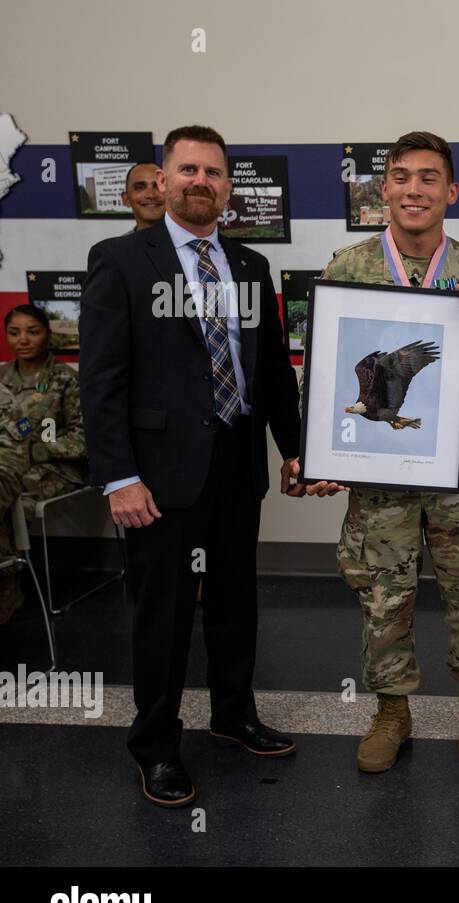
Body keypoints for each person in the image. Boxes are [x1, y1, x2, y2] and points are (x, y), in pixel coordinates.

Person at [79, 125, 321, 808]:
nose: (200, 182)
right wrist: (118, 477)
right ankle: (155, 745)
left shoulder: (249, 266)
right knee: (164, 615)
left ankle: (232, 713)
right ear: (161, 177)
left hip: (236, 466)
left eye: (214, 173)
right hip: (158, 478)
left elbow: (272, 370)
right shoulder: (121, 261)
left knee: (236, 602)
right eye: (187, 169)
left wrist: (295, 446)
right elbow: (100, 382)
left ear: (228, 188)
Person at [304, 130, 459, 773]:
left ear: (450, 192)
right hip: (380, 476)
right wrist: (319, 450)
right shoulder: (347, 269)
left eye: (429, 178)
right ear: (385, 189)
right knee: (383, 595)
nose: (414, 189)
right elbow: (318, 378)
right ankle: (391, 711)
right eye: (402, 176)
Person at [0, 305, 87, 624]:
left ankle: (8, 584)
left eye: (33, 331)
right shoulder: (2, 378)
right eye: (14, 332)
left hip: (56, 467)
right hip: (8, 465)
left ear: (47, 334)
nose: (23, 339)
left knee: (13, 502)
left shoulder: (66, 379)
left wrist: (36, 450)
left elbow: (84, 440)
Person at [120, 162, 164, 233]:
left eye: (158, 186)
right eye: (140, 187)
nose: (151, 195)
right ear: (126, 199)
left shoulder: (187, 241)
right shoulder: (118, 244)